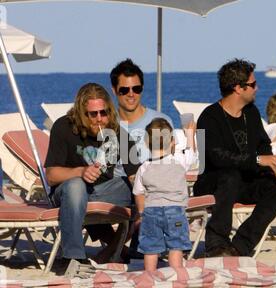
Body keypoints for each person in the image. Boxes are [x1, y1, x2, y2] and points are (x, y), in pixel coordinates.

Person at [193, 59, 276, 257]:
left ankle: (240, 246)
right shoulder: (209, 117)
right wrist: (257, 160)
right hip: (213, 182)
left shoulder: (251, 113)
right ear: (238, 88)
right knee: (229, 176)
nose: (257, 88)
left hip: (245, 181)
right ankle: (217, 245)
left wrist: (270, 162)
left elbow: (263, 144)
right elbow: (216, 157)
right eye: (253, 84)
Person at [44, 83, 140, 264]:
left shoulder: (116, 132)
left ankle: (139, 248)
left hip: (102, 192)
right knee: (76, 186)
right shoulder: (64, 127)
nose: (99, 119)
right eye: (93, 114)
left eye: (103, 113)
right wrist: (81, 171)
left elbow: (137, 174)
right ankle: (73, 257)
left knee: (142, 187)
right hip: (67, 193)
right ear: (81, 113)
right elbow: (51, 176)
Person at [110, 58, 174, 254]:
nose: (131, 94)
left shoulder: (160, 121)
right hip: (117, 187)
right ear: (114, 90)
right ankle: (128, 248)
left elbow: (169, 163)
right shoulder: (107, 123)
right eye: (124, 90)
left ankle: (136, 249)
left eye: (136, 89)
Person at [133, 118, 196, 271]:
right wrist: (190, 135)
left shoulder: (144, 167)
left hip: (151, 211)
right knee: (176, 245)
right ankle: (176, 273)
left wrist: (141, 213)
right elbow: (192, 154)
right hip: (175, 211)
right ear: (173, 141)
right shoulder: (179, 160)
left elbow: (138, 193)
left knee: (151, 247)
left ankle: (150, 275)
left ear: (147, 144)